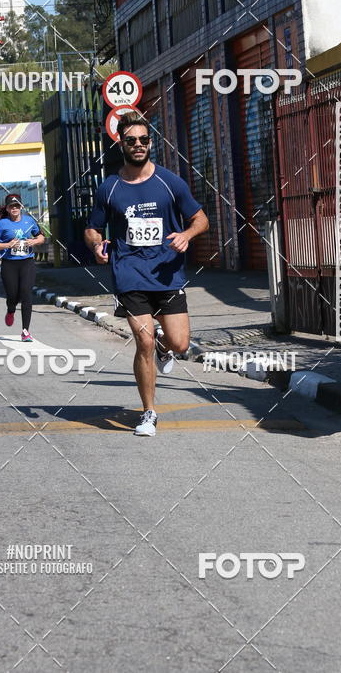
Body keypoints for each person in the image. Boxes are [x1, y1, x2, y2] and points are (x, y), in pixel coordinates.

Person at [85, 112, 209, 437]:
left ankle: (165, 348)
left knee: (180, 343)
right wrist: (97, 245)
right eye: (131, 141)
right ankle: (148, 412)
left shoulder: (169, 181)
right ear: (121, 143)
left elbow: (200, 218)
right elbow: (92, 229)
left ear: (150, 143)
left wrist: (187, 235)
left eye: (143, 140)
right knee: (143, 340)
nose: (138, 145)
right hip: (129, 274)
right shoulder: (110, 188)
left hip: (167, 274)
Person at [0, 193, 44, 342]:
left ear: (21, 207)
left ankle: (25, 331)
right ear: (7, 208)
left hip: (27, 262)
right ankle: (11, 309)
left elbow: (41, 237)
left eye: (17, 206)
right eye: (11, 206)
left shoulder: (29, 221)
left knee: (26, 293)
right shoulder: (2, 224)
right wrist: (6, 245)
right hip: (9, 264)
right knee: (12, 295)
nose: (14, 208)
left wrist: (34, 242)